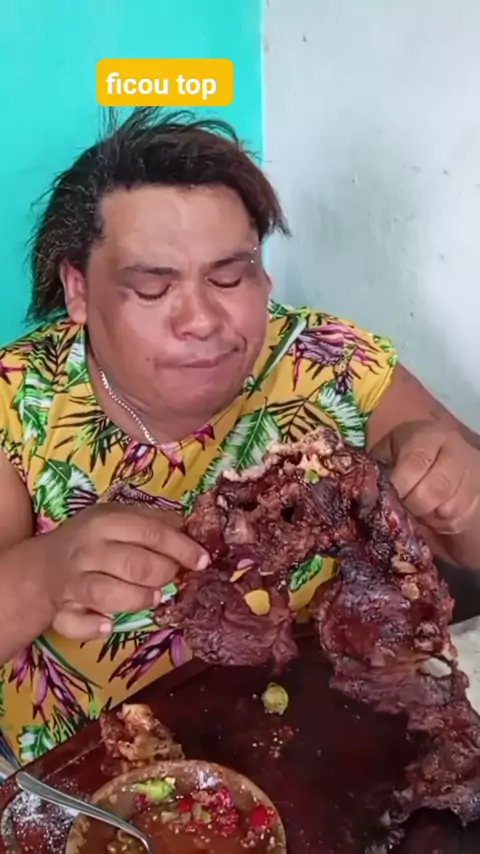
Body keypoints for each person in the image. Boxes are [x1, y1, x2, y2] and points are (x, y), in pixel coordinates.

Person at [0, 107, 478, 771]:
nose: (201, 319)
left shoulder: (331, 362)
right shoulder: (19, 397)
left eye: (229, 276)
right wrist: (45, 576)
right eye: (152, 287)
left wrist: (460, 499)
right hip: (89, 780)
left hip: (318, 755)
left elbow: (466, 524)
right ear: (78, 289)